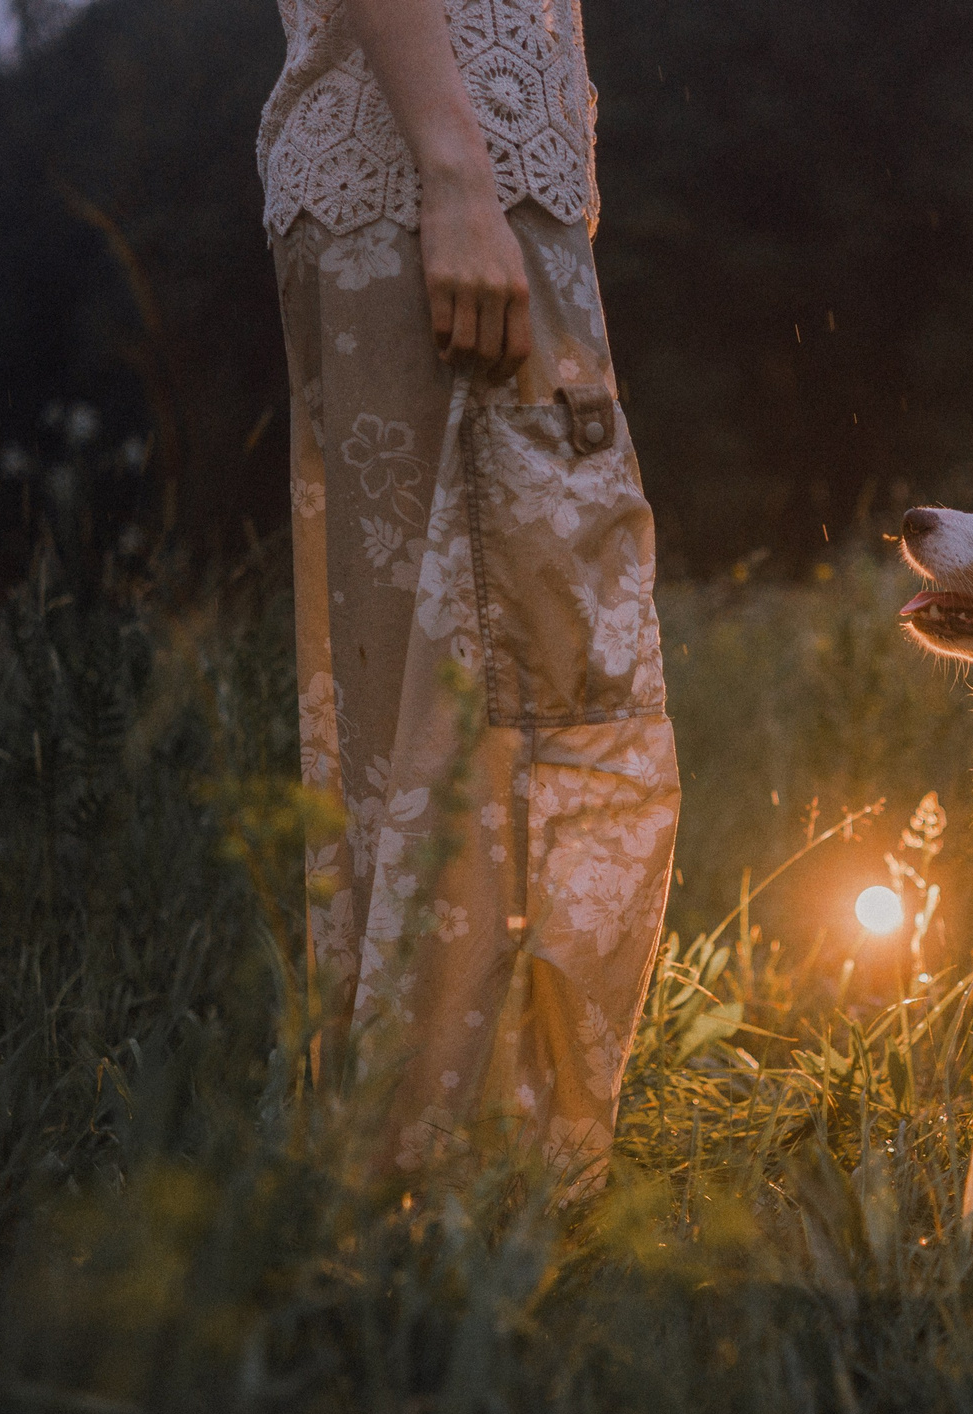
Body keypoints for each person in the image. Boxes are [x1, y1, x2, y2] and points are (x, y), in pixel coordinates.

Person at [257, 0, 679, 1189]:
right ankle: (454, 1190)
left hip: (442, 194)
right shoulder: (450, 184)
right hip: (430, 195)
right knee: (502, 707)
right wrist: (455, 174)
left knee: (480, 706)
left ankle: (438, 1180)